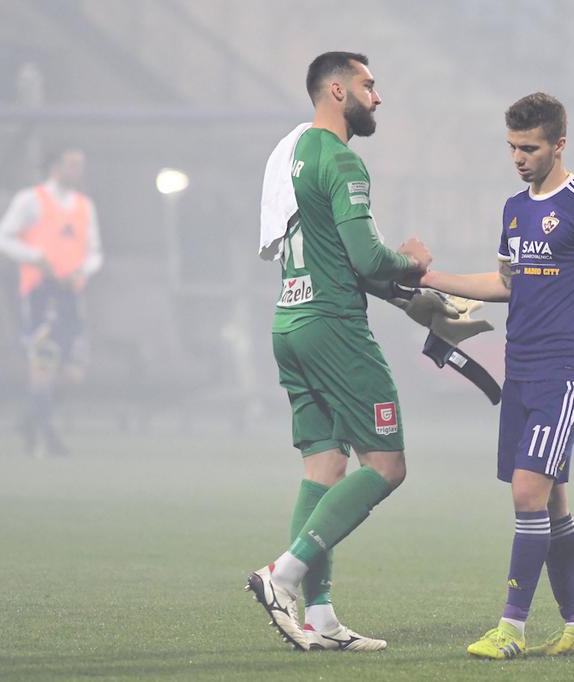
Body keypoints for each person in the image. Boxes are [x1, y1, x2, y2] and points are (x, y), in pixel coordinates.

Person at [420, 93, 574, 658]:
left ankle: (511, 629)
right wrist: (433, 277)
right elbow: (507, 283)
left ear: (559, 144)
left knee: (528, 495)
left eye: (530, 148)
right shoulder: (514, 209)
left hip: (565, 373)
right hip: (520, 370)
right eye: (513, 147)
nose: (519, 158)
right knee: (551, 506)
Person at [245, 52, 442, 653]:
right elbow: (367, 260)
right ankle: (283, 574)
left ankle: (320, 616)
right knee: (386, 466)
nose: (376, 96)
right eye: (368, 84)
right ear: (337, 90)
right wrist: (415, 261)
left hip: (290, 322)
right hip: (333, 327)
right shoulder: (341, 158)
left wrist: (409, 292)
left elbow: (333, 255)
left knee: (324, 470)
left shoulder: (291, 153)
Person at [0, 148, 102, 458]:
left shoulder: (84, 206)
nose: (78, 170)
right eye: (72, 164)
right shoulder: (31, 200)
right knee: (42, 366)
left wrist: (83, 270)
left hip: (71, 294)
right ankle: (49, 436)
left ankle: (29, 420)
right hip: (40, 293)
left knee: (74, 372)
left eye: (81, 164)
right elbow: (1, 238)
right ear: (55, 166)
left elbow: (95, 251)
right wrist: (36, 258)